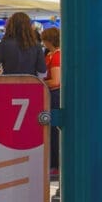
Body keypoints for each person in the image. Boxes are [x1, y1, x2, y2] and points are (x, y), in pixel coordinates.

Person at [0, 12, 47, 76]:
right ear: (29, 26)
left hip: (8, 83)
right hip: (30, 83)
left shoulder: (3, 44)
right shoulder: (37, 45)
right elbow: (42, 71)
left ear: (10, 25)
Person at [41, 28, 62, 177]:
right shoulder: (50, 55)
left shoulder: (56, 57)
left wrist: (40, 82)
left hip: (55, 95)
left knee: (54, 132)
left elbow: (56, 81)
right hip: (52, 95)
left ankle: (57, 164)